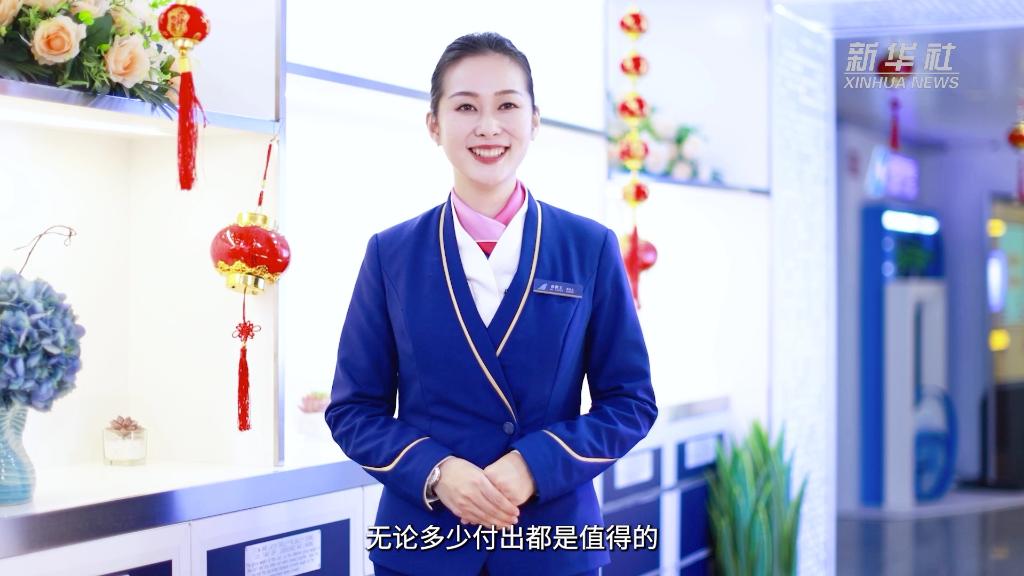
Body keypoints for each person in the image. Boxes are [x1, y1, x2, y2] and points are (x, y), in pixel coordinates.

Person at [326, 32, 658, 576]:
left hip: (552, 546)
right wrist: (435, 471)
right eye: (465, 107)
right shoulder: (392, 253)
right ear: (434, 125)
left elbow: (630, 402)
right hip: (425, 546)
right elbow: (353, 409)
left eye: (507, 105)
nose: (488, 126)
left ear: (534, 121)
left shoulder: (588, 247)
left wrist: (535, 464)